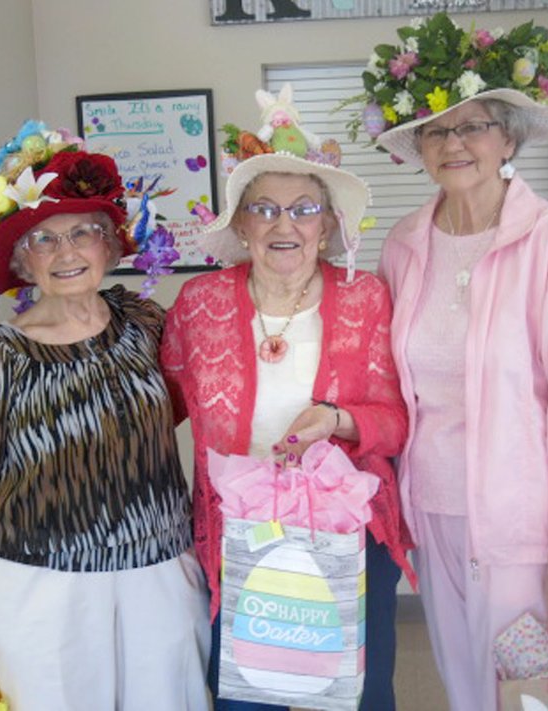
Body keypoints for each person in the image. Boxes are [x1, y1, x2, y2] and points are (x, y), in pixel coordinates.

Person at [355, 14, 548, 711]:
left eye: (473, 125)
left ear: (508, 137)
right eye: (438, 128)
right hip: (433, 510)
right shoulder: (406, 242)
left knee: (533, 696)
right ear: (418, 145)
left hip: (521, 521)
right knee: (467, 687)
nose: (455, 142)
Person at [0, 120, 210, 710]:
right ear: (22, 262)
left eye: (83, 233)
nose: (66, 252)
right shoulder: (0, 353)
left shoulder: (143, 319)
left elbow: (205, 397)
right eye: (44, 239)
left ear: (109, 247)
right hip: (40, 584)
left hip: (158, 569)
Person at [161, 87, 415, 711]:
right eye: (265, 209)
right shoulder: (200, 304)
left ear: (328, 224)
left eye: (304, 209)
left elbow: (399, 422)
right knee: (248, 694)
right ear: (240, 221)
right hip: (241, 533)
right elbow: (157, 406)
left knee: (357, 691)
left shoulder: (367, 298)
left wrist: (338, 420)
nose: (284, 224)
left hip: (349, 531)